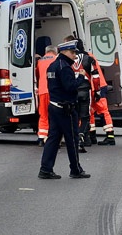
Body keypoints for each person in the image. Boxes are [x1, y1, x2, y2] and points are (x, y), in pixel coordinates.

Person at [38, 39, 90, 180]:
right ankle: (75, 169)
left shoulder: (53, 66)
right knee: (72, 140)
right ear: (65, 52)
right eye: (73, 52)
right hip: (65, 109)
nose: (74, 55)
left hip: (54, 106)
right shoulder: (65, 67)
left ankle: (45, 169)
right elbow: (70, 86)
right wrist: (80, 77)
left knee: (53, 139)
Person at [35, 44, 58, 146]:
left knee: (43, 114)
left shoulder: (40, 61)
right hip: (54, 91)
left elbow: (37, 75)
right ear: (55, 51)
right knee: (55, 115)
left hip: (42, 91)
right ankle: (53, 137)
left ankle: (41, 137)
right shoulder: (56, 59)